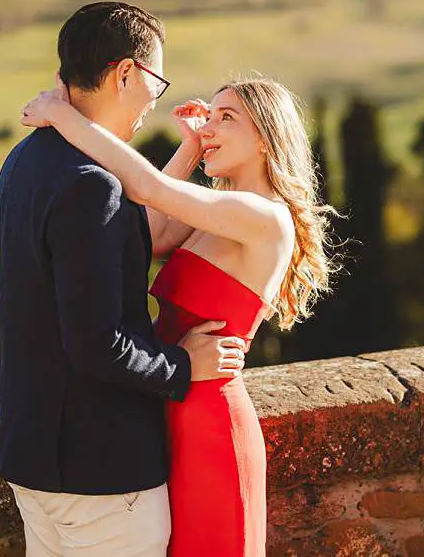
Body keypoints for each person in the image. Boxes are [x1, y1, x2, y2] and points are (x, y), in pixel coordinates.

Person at [20, 70, 336, 557]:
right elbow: (146, 231)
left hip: (212, 426)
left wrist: (62, 116)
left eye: (225, 118)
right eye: (208, 116)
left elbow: (146, 187)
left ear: (267, 137)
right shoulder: (222, 211)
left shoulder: (265, 217)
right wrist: (192, 149)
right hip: (169, 412)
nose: (209, 126)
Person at [0, 1, 249, 557]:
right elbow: (97, 344)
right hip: (100, 471)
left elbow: (145, 226)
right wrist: (186, 365)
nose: (153, 102)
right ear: (125, 73)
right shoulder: (91, 187)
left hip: (32, 457)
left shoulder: (22, 162)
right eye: (155, 81)